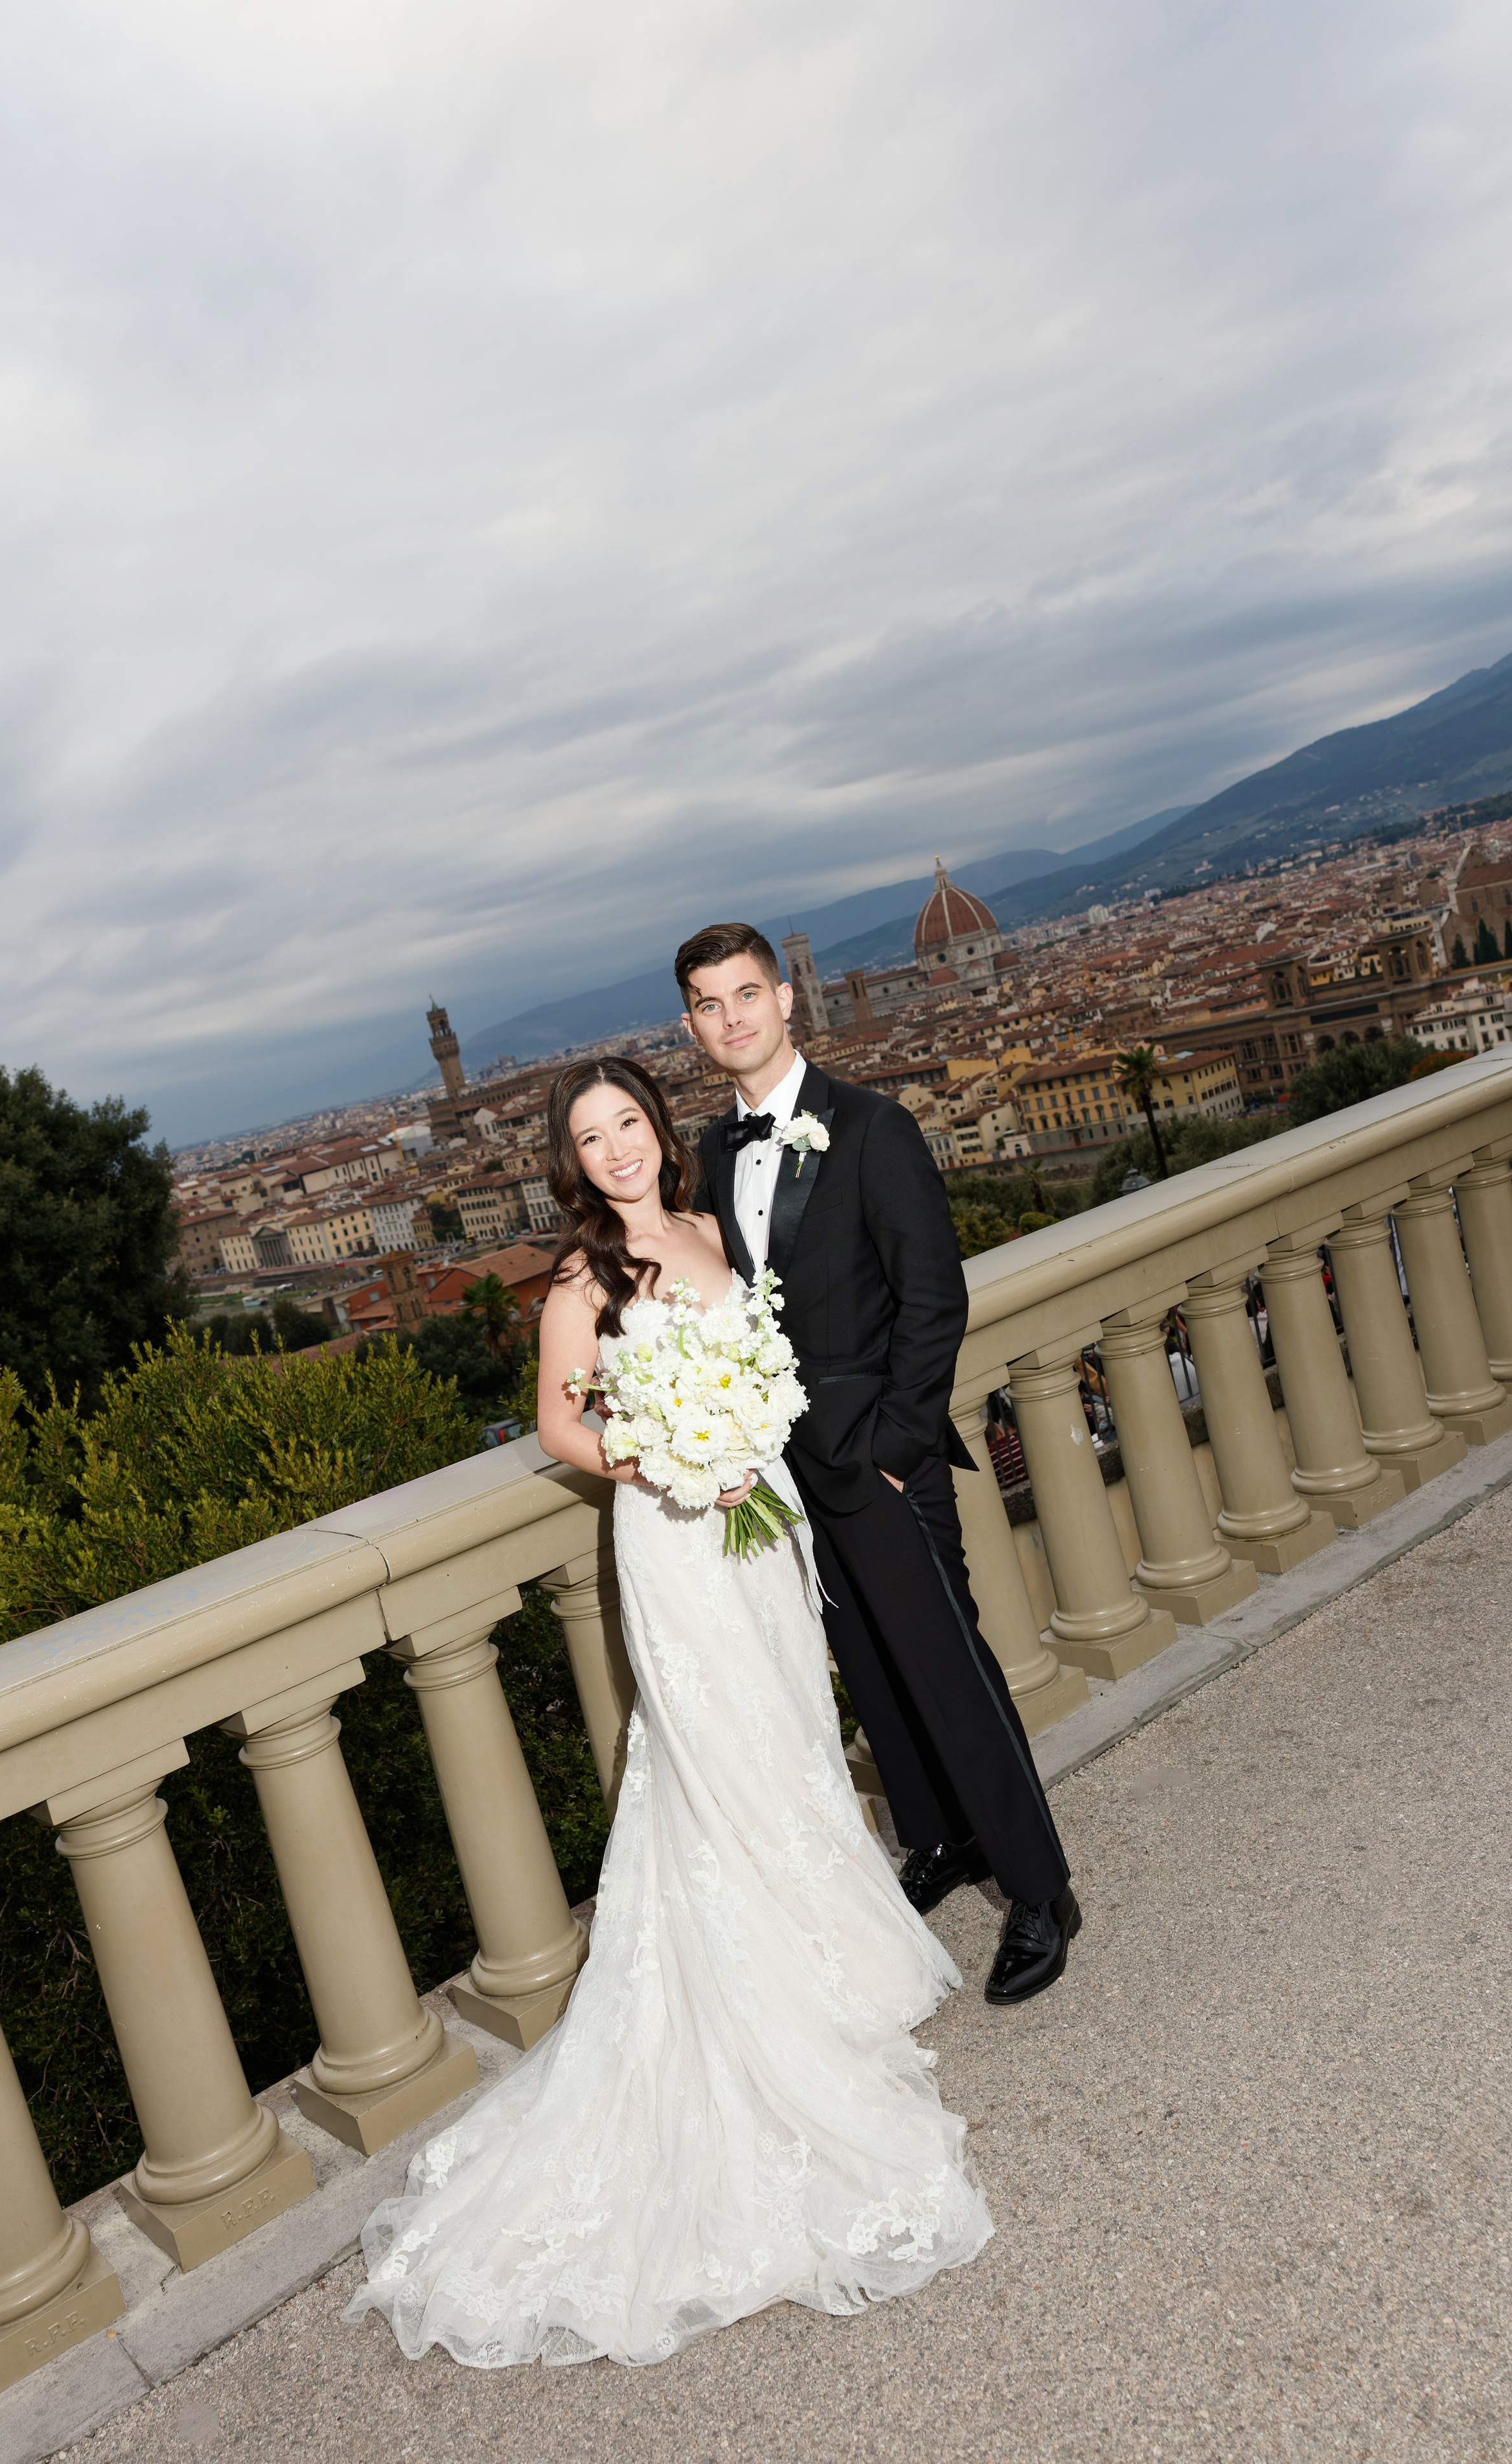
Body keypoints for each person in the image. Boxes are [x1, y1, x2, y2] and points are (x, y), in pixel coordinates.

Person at [348, 1055, 992, 2369]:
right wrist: (668, 1455)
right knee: (713, 1759)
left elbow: (772, 1361)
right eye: (590, 1139)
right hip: (676, 1540)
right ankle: (763, 2004)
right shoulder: (583, 1280)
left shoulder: (705, 1234)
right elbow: (558, 1425)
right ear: (571, 1162)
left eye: (628, 1124)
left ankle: (825, 1953)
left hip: (762, 1536)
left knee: (789, 1738)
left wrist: (735, 1433)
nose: (616, 1150)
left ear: (656, 1130)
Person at [678, 921, 1080, 2004]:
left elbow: (933, 1298)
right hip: (790, 1472)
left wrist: (900, 1451)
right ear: (693, 1027)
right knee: (877, 1681)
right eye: (710, 1006)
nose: (733, 1019)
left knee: (949, 1670)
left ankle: (1042, 1893)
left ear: (787, 999)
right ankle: (943, 1838)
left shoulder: (872, 1125)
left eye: (747, 995)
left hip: (879, 1458)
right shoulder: (715, 1152)